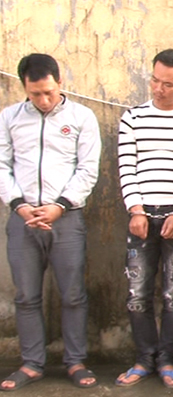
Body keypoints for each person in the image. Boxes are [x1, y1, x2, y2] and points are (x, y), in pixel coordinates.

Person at [0, 53, 101, 390]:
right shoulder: (9, 118)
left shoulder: (82, 117)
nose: (43, 100)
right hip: (23, 220)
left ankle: (75, 361)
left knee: (73, 294)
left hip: (66, 219)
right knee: (26, 296)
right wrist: (19, 205)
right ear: (24, 88)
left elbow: (87, 169)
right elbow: (2, 165)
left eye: (48, 92)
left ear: (60, 82)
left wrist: (60, 205)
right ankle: (31, 363)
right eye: (35, 94)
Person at [115, 49, 173, 389]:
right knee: (137, 293)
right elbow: (126, 167)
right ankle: (144, 358)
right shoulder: (133, 118)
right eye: (154, 80)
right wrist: (135, 210)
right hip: (141, 216)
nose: (158, 89)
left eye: (167, 84)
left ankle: (168, 359)